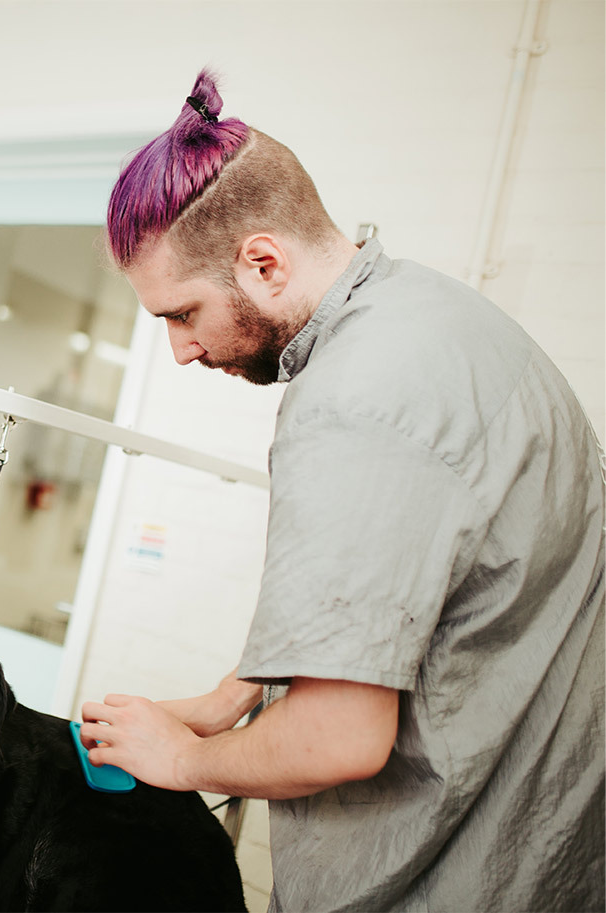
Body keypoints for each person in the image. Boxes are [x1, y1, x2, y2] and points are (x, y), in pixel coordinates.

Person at [81, 69, 604, 912]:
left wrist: (181, 760)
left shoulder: (349, 408)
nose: (180, 350)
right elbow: (408, 576)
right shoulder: (440, 319)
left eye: (181, 314)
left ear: (263, 260)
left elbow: (339, 737)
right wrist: (229, 698)